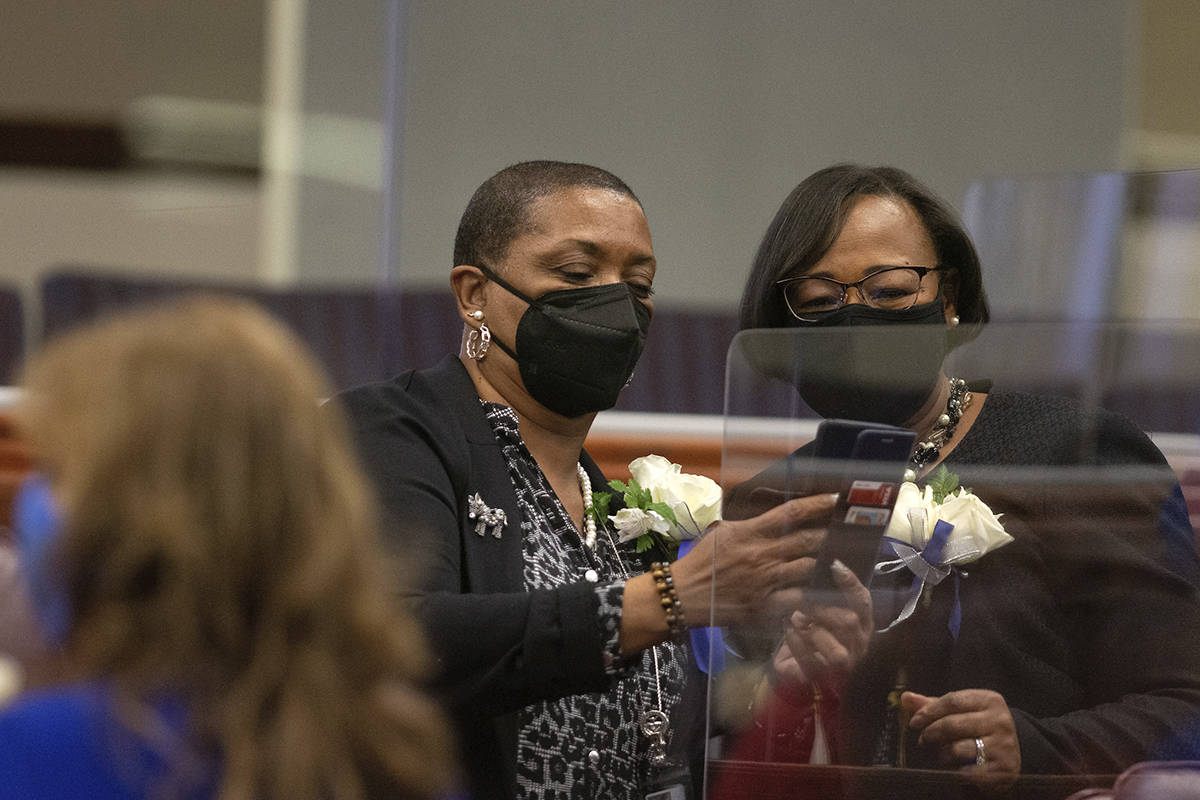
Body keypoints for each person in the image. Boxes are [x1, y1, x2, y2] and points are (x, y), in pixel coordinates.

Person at [334, 160, 836, 800]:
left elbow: (642, 716)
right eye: (577, 274)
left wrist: (772, 684)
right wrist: (669, 597)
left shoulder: (615, 505)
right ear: (473, 294)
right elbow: (396, 639)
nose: (617, 306)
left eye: (639, 284)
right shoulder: (390, 432)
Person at [724, 164, 1200, 782]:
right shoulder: (767, 503)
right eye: (819, 302)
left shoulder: (1074, 454)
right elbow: (724, 737)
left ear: (948, 301)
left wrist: (1036, 747)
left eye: (890, 292)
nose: (855, 318)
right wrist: (787, 693)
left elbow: (1185, 706)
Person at [0, 297, 456, 800]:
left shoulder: (37, 751)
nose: (30, 499)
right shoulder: (399, 750)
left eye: (58, 472)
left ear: (135, 516)